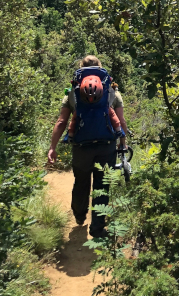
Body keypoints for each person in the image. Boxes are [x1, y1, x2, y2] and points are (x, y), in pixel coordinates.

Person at [47, 55, 128, 238]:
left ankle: (79, 215)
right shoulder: (111, 91)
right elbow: (121, 121)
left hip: (81, 147)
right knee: (102, 186)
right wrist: (123, 145)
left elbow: (61, 121)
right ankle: (98, 229)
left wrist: (53, 147)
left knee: (81, 182)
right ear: (100, 68)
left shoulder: (73, 92)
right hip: (106, 146)